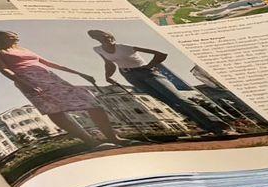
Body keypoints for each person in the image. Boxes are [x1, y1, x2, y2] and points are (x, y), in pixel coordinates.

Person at [0, 30, 121, 145]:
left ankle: (113, 137)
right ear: (0, 38)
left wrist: (80, 73)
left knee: (90, 101)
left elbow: (49, 63)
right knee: (54, 111)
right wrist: (26, 84)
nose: (15, 37)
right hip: (29, 80)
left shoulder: (23, 49)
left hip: (50, 77)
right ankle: (90, 142)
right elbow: (4, 69)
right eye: (11, 35)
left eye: (15, 36)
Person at [87, 29, 229, 137]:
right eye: (101, 38)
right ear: (96, 39)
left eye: (108, 37)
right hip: (130, 76)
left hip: (148, 73)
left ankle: (219, 126)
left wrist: (149, 66)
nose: (106, 40)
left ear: (111, 37)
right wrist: (108, 76)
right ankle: (208, 128)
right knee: (170, 103)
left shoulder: (125, 47)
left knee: (178, 98)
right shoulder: (98, 49)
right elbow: (109, 63)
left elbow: (161, 54)